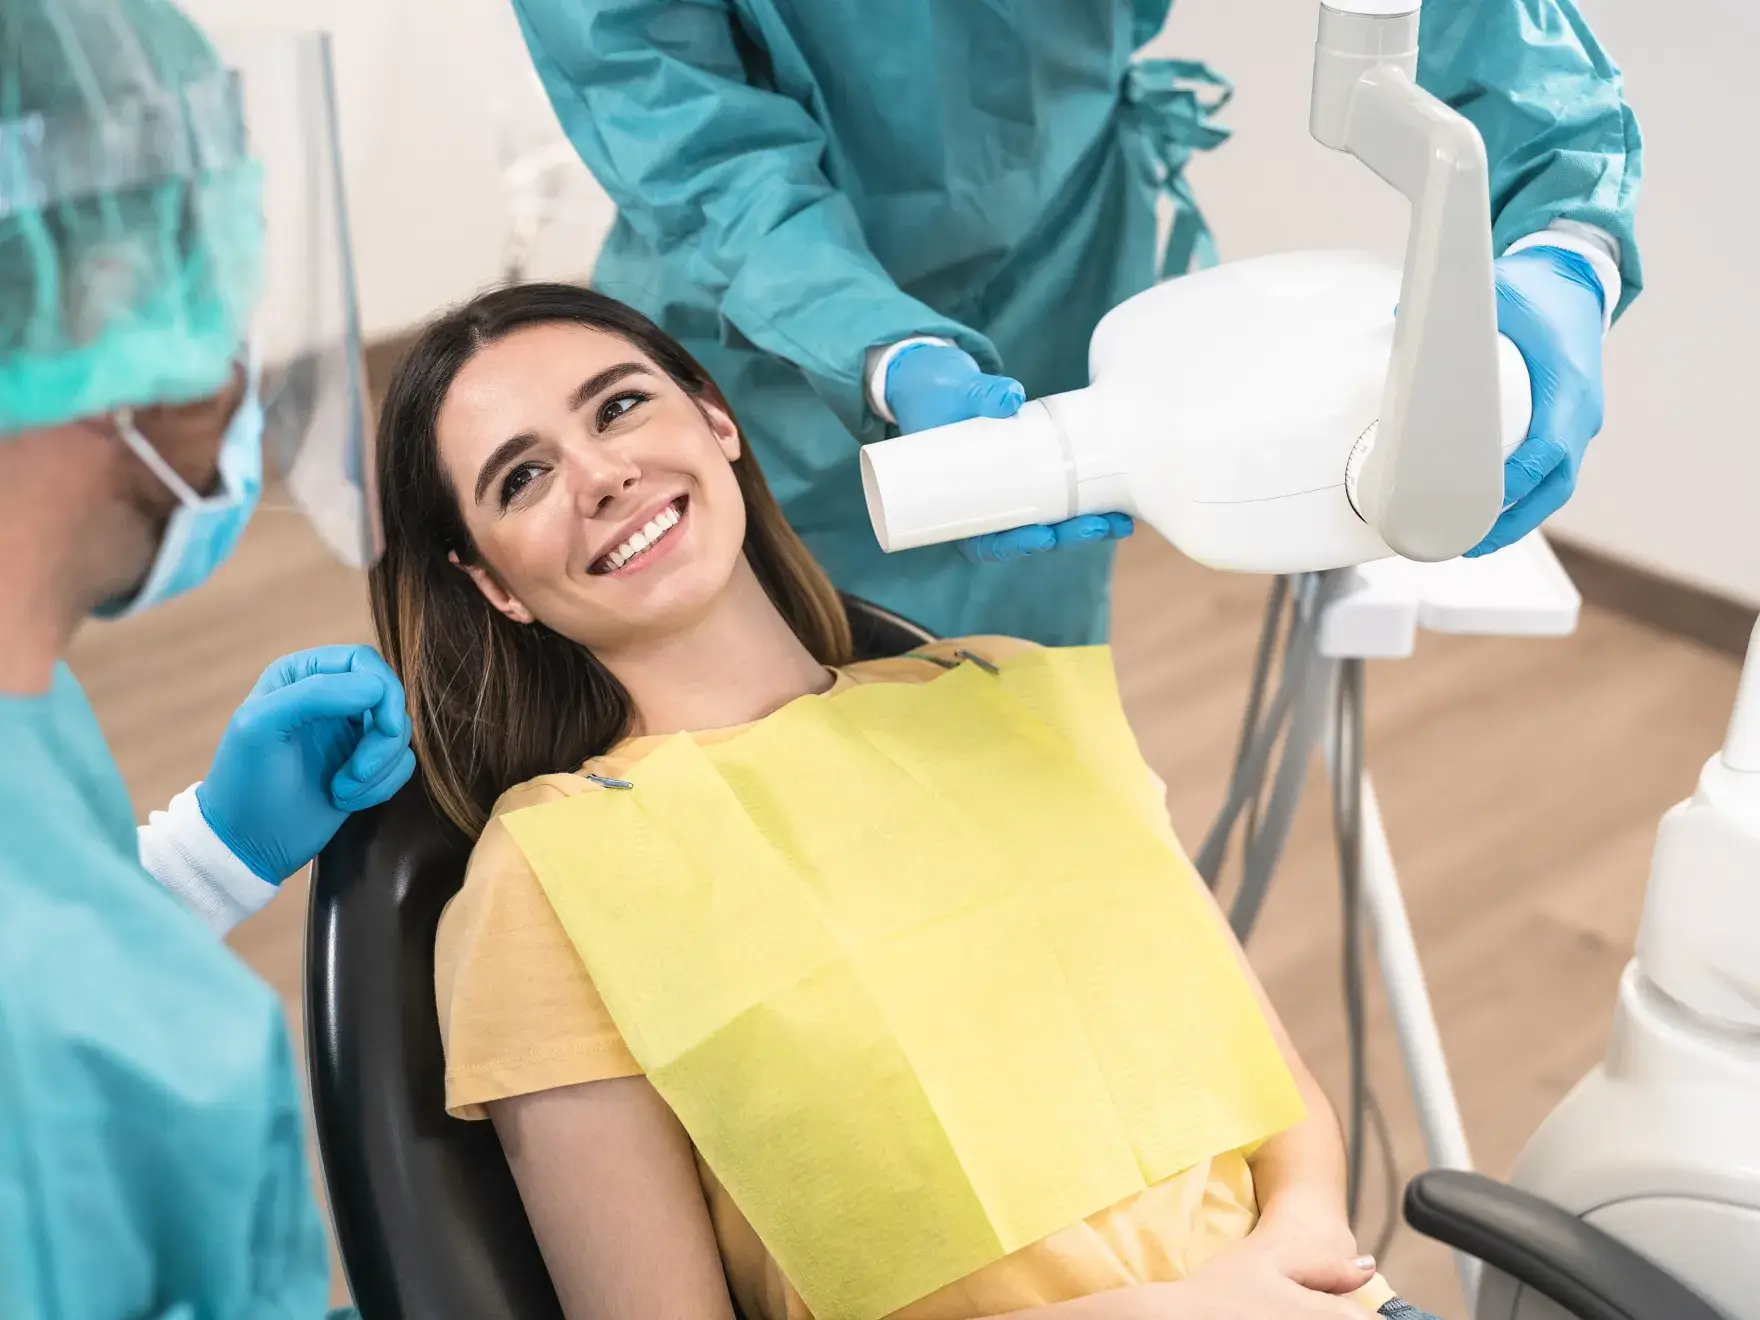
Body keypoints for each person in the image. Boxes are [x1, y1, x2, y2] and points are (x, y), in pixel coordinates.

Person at [369, 280, 1445, 1320]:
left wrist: (1295, 1251)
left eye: (619, 405)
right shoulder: (555, 875)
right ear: (492, 584)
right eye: (522, 479)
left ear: (713, 419)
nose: (599, 474)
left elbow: (1274, 1093)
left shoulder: (999, 694)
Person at [510, 0, 1642, 647]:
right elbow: (683, 127)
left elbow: (1489, 33)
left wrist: (1564, 252)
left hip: (1057, 270)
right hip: (752, 329)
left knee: (1011, 760)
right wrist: (873, 341)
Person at [0, 1, 410, 1313]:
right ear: (92, 298)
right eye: (199, 260)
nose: (231, 349)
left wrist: (200, 857)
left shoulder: (30, 705)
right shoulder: (56, 1035)